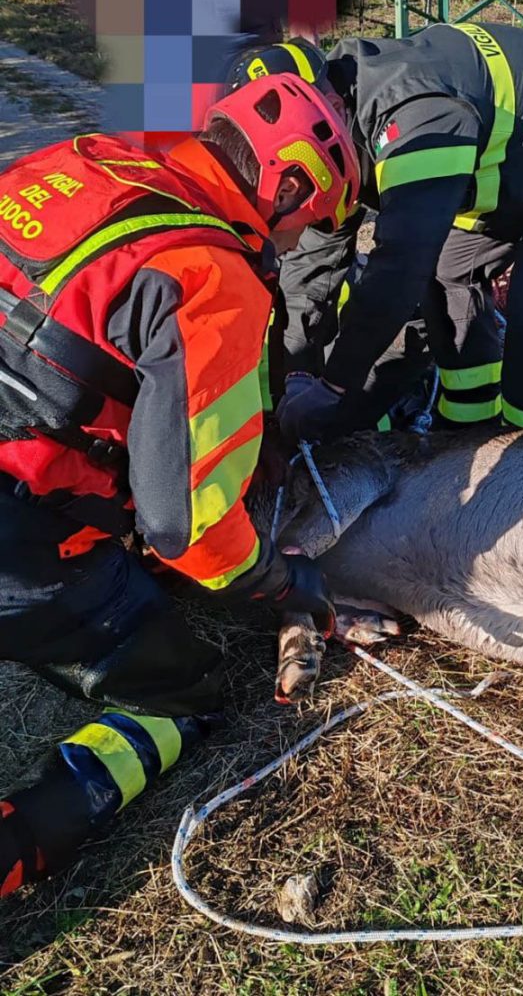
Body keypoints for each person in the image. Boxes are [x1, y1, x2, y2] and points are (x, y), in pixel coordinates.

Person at [0, 74, 361, 897]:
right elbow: (185, 525)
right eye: (309, 220)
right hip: (18, 537)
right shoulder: (209, 276)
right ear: (287, 188)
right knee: (181, 697)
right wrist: (282, 582)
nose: (299, 241)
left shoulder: (82, 161)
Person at [228, 25, 523, 440]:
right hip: (499, 164)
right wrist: (298, 373)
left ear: (333, 107)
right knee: (447, 280)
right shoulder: (329, 124)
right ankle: (468, 430)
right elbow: (312, 267)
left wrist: (335, 385)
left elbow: (400, 267)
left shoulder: (417, 119)